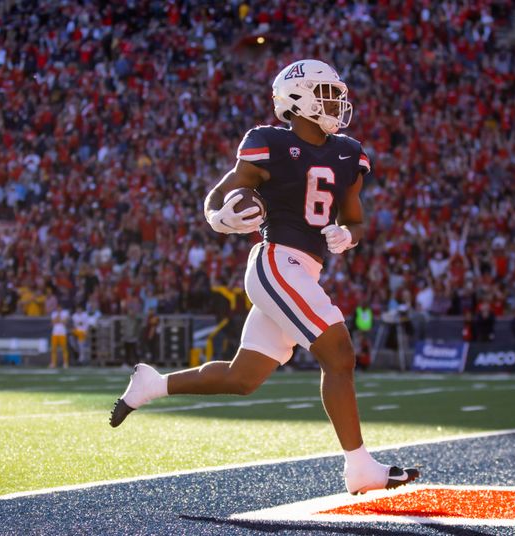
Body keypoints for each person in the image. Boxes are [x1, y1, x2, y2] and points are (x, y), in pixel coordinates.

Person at [109, 59, 419, 495]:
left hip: (305, 267)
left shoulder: (350, 152)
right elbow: (219, 195)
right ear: (299, 98)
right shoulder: (267, 142)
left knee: (243, 377)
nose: (337, 102)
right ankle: (359, 467)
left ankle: (152, 385)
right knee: (339, 354)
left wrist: (346, 236)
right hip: (276, 261)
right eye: (328, 93)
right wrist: (220, 218)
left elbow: (356, 220)